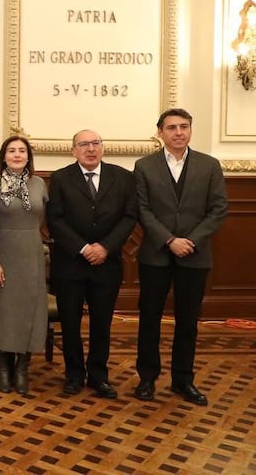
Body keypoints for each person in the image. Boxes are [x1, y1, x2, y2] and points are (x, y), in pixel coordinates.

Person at [133, 108, 228, 406]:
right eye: (171, 127)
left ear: (190, 130)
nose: (178, 132)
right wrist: (169, 240)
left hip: (195, 255)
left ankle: (183, 380)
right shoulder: (144, 166)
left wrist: (192, 241)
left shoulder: (210, 165)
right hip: (156, 254)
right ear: (160, 132)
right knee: (150, 319)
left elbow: (218, 209)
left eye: (184, 126)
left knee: (188, 321)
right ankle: (147, 379)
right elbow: (142, 210)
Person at [46, 130, 138, 399]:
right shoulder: (61, 178)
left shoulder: (122, 177)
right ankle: (74, 374)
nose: (90, 149)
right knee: (70, 323)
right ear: (73, 150)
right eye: (83, 144)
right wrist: (84, 248)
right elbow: (55, 220)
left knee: (102, 323)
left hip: (106, 264)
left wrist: (105, 247)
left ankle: (99, 376)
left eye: (95, 143)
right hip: (71, 263)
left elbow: (129, 216)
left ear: (102, 148)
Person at [0, 135, 48, 396]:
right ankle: (2, 366)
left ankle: (22, 366)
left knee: (28, 310)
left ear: (28, 156)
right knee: (3, 312)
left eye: (22, 151)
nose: (18, 155)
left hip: (32, 252)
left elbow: (42, 220)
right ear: (3, 156)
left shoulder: (40, 184)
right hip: (2, 252)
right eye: (12, 150)